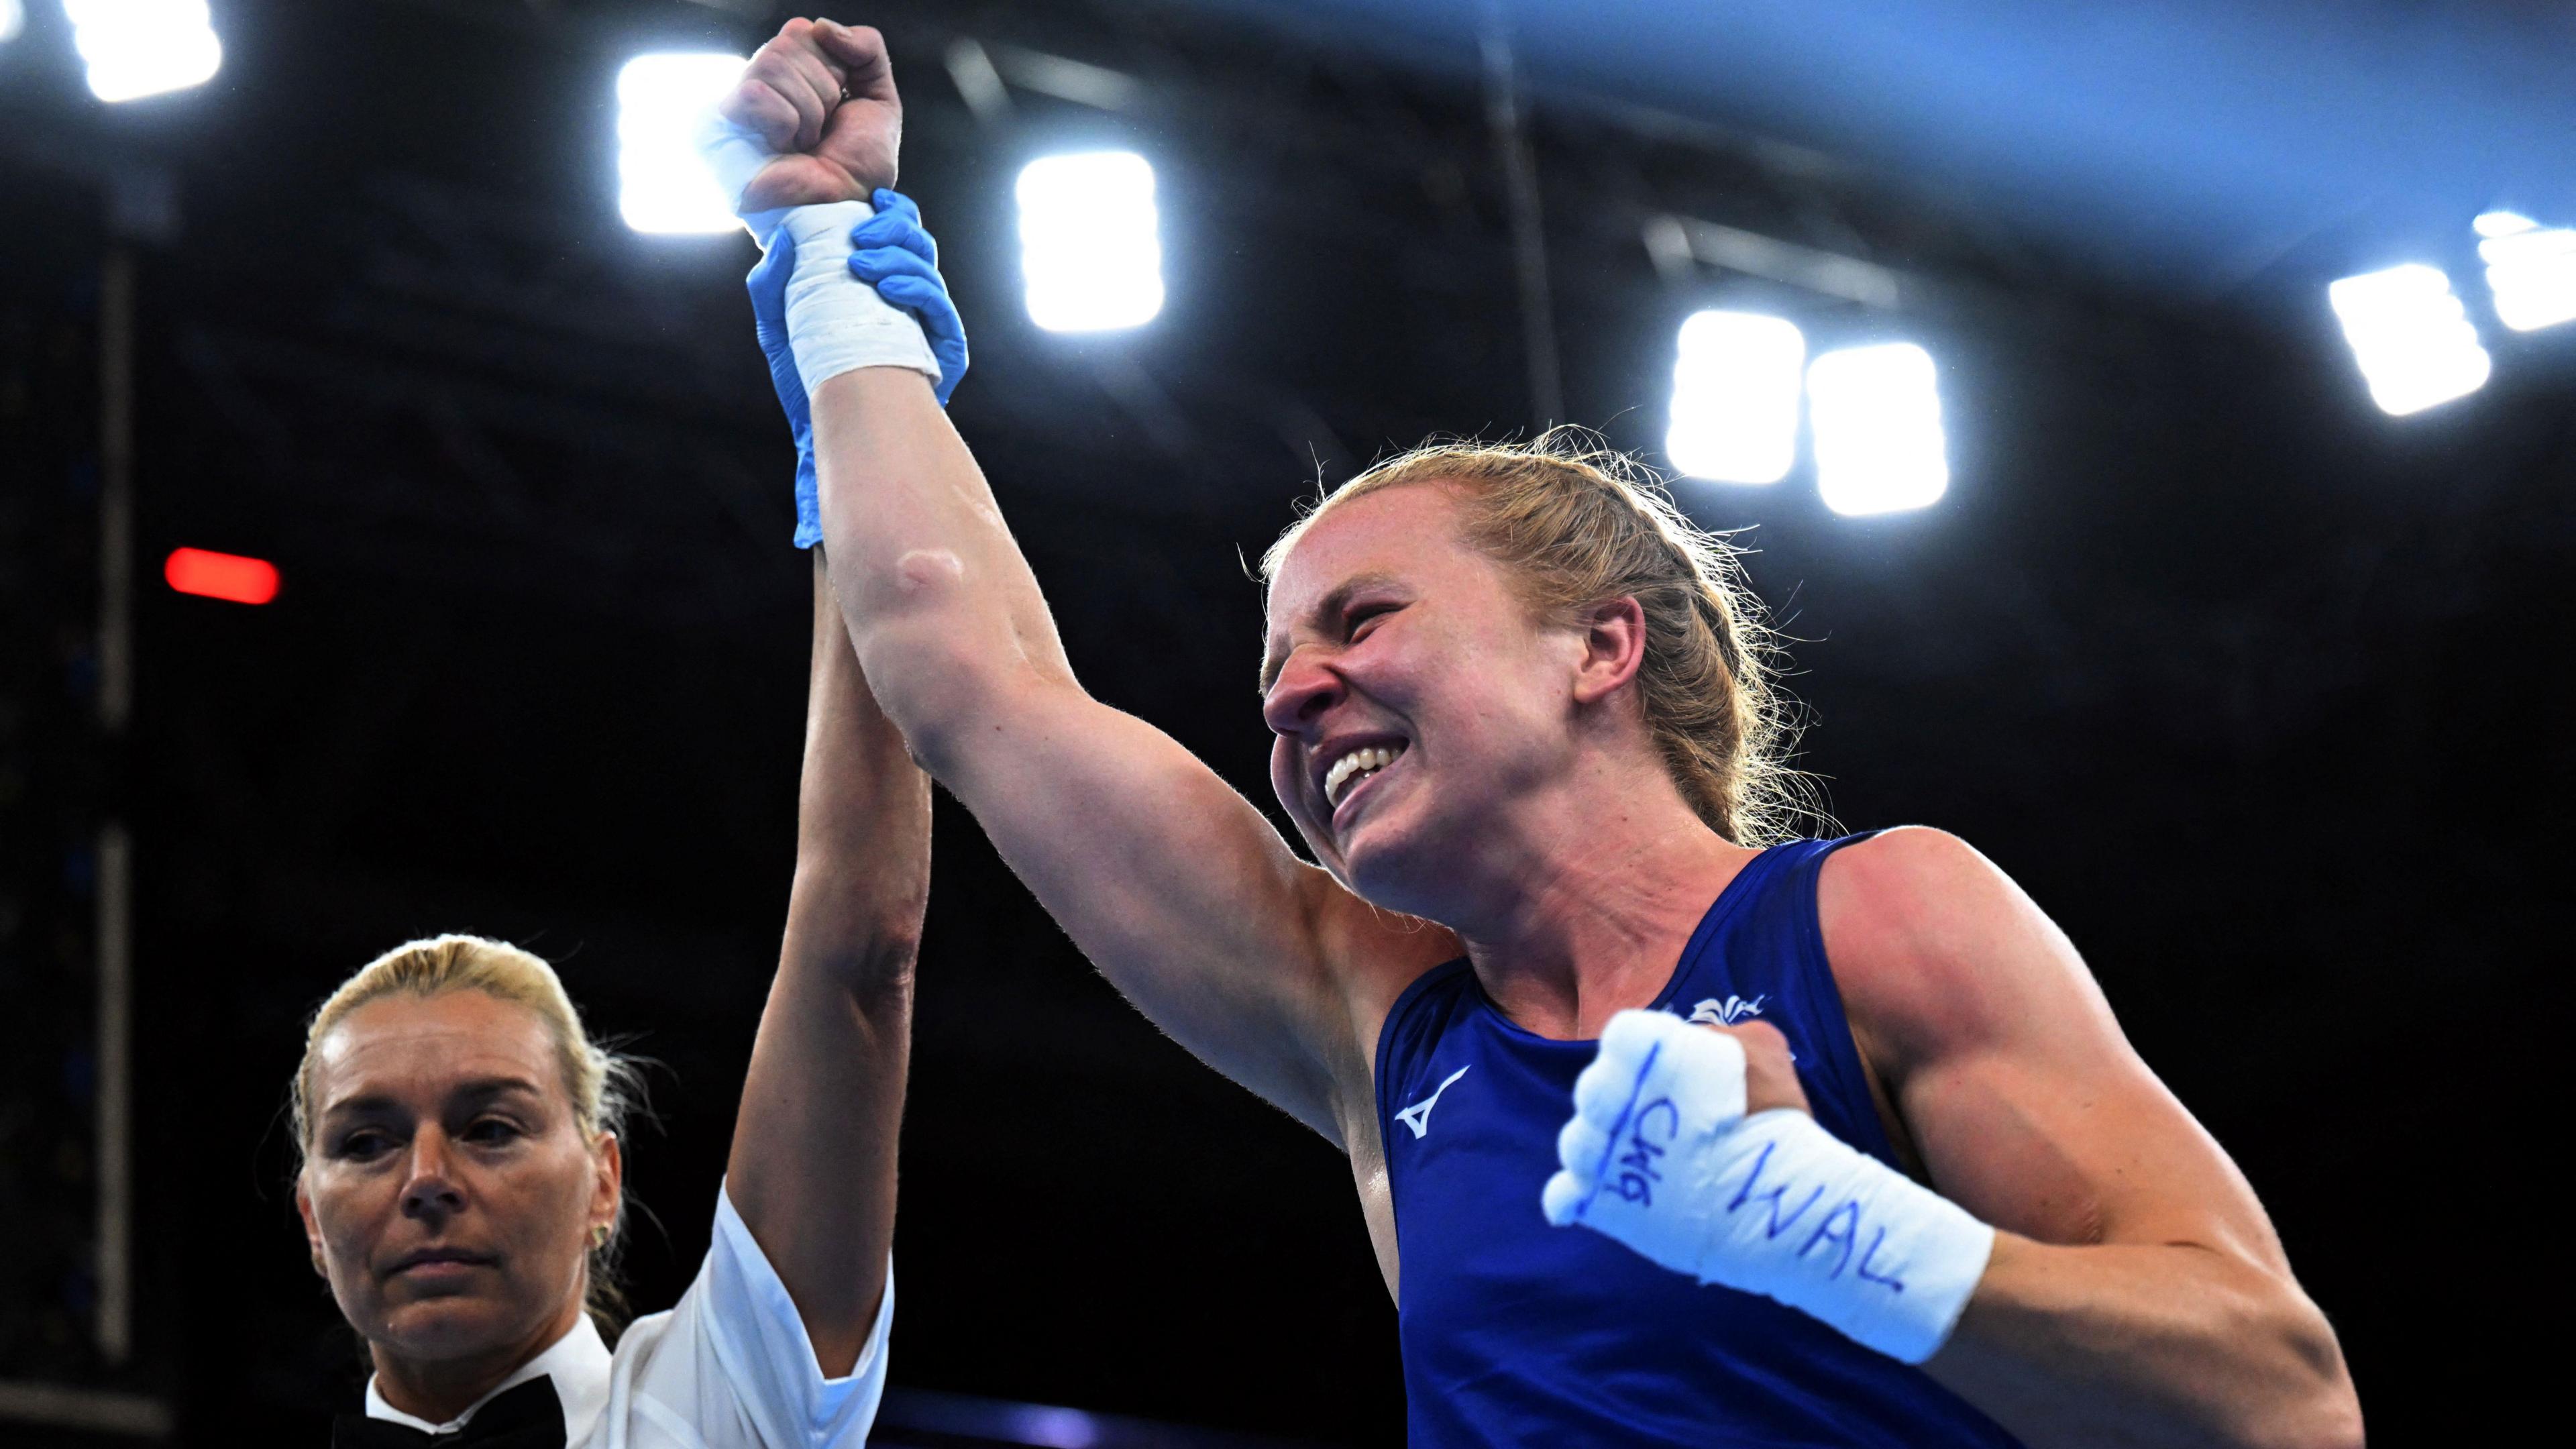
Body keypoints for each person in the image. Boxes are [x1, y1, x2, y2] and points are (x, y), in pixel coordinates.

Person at [707, 20, 2363, 1447]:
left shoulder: (1872, 922)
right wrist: (841, 273)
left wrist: (1828, 1227)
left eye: (1361, 623)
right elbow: (969, 669)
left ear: (1599, 648)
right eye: (1277, 658)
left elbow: (2281, 1401)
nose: (1286, 696)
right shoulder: (1380, 1023)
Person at [291, 551, 930, 1446]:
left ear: (603, 1183)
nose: (427, 1180)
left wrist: (858, 492)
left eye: (490, 1127)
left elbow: (858, 962)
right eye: (366, 1142)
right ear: (313, 1222)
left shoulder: (717, 1403)